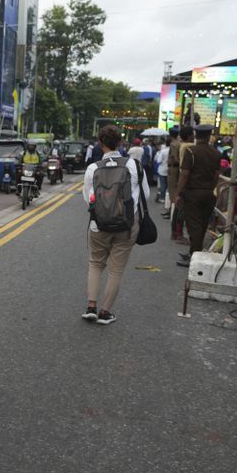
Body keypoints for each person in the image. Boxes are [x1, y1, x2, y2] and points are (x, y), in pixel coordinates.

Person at [81, 125, 149, 325]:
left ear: (100, 144)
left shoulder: (93, 168)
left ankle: (91, 307)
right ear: (120, 142)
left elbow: (88, 198)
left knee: (95, 263)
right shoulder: (134, 165)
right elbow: (144, 196)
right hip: (127, 226)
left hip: (98, 225)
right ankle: (105, 312)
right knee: (116, 270)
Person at [175, 125, 221, 266]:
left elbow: (185, 174)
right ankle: (194, 253)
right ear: (209, 136)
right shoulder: (216, 153)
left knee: (193, 225)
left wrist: (178, 193)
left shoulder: (191, 152)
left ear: (196, 136)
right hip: (208, 193)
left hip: (193, 193)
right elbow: (217, 175)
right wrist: (210, 188)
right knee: (202, 224)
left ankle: (195, 257)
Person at [155, 139, 170, 204]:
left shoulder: (163, 151)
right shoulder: (172, 150)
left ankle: (162, 198)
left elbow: (158, 161)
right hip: (169, 169)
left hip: (162, 170)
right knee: (167, 185)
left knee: (162, 185)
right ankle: (167, 199)